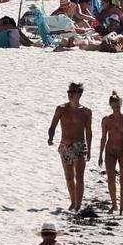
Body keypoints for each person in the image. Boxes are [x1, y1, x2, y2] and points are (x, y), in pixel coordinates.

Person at [47, 82, 93, 213]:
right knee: (69, 177)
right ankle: (73, 202)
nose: (70, 94)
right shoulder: (61, 109)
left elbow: (88, 131)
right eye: (69, 92)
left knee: (79, 177)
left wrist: (89, 149)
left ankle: (78, 205)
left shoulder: (86, 112)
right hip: (65, 145)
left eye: (72, 92)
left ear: (79, 94)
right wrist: (50, 137)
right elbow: (53, 126)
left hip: (79, 146)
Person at [98, 92, 123, 215]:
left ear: (121, 104)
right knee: (111, 178)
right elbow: (103, 137)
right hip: (110, 151)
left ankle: (122, 208)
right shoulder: (106, 120)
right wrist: (100, 155)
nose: (116, 109)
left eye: (118, 106)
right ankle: (114, 205)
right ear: (110, 106)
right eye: (114, 107)